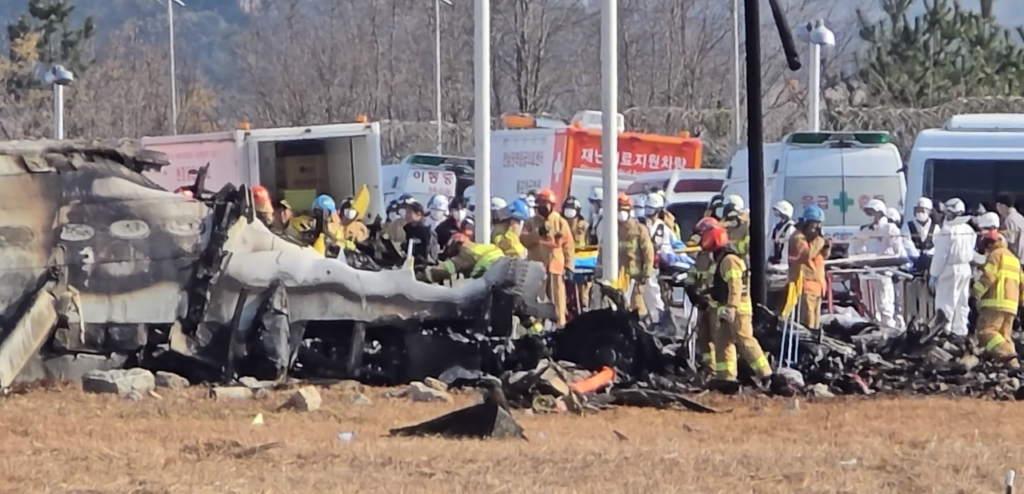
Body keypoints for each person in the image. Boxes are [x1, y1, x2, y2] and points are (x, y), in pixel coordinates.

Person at [701, 224, 773, 386]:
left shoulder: (729, 260)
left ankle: (766, 375)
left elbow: (735, 285)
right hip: (725, 308)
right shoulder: (720, 259)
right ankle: (726, 378)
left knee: (744, 340)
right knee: (723, 342)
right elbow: (721, 285)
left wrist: (732, 307)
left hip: (738, 309)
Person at [520, 189, 574, 328]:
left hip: (556, 267)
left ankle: (560, 327)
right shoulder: (530, 223)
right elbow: (524, 240)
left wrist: (569, 266)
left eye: (547, 204)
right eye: (542, 204)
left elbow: (568, 245)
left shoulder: (560, 222)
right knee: (538, 300)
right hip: (537, 269)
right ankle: (538, 328)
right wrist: (538, 233)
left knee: (558, 300)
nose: (545, 207)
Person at [971, 228, 1023, 369]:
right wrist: (1021, 303)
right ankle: (1013, 364)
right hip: (1011, 306)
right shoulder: (1014, 259)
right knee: (1004, 335)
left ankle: (1006, 353)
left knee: (986, 331)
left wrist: (975, 292)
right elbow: (1022, 282)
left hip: (994, 302)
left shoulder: (995, 255)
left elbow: (989, 276)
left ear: (990, 244)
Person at [851, 199, 906, 329]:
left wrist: (902, 263)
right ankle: (871, 329)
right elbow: (854, 244)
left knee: (885, 303)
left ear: (881, 213)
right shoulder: (866, 229)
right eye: (870, 213)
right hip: (867, 271)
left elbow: (898, 249)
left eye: (874, 213)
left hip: (883, 271)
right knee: (869, 305)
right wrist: (855, 258)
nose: (872, 216)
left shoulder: (889, 228)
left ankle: (890, 330)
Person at [597, 193, 654, 315]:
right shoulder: (611, 229)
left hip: (635, 277)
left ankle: (642, 326)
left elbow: (648, 254)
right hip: (616, 276)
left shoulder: (639, 230)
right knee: (617, 306)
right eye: (619, 210)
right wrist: (599, 269)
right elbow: (602, 251)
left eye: (624, 210)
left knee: (636, 306)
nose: (621, 213)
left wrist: (646, 273)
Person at [928, 198, 976, 337]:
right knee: (962, 302)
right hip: (965, 268)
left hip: (950, 269)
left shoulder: (947, 231)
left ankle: (944, 332)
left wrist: (934, 274)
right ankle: (960, 332)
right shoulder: (969, 229)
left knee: (946, 302)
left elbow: (940, 256)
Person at [785, 205, 832, 331]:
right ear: (807, 223)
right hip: (804, 287)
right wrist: (819, 240)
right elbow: (807, 254)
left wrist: (826, 246)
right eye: (815, 224)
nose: (817, 228)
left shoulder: (814, 240)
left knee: (815, 325)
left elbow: (820, 257)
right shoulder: (797, 238)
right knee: (807, 324)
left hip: (817, 287)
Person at [686, 216, 721, 372]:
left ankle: (724, 372)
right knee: (703, 338)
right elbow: (692, 275)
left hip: (717, 306)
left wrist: (707, 295)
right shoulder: (702, 257)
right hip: (703, 304)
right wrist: (691, 289)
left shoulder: (721, 257)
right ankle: (709, 369)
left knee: (719, 338)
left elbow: (719, 284)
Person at [642, 191, 677, 323]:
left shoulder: (663, 228)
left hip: (652, 266)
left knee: (653, 293)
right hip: (636, 264)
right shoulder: (640, 224)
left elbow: (668, 247)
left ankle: (657, 320)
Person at [418, 233, 504, 284]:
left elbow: (445, 269)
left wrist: (423, 275)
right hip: (503, 271)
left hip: (487, 275)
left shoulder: (465, 252)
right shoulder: (484, 247)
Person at [908, 197, 940, 272]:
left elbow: (938, 245)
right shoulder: (908, 226)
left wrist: (927, 256)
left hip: (930, 262)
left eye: (922, 210)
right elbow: (907, 244)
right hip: (913, 262)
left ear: (929, 212)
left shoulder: (935, 227)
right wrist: (917, 257)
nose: (919, 213)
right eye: (917, 210)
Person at [402, 202, 439, 267]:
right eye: (406, 212)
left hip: (423, 267)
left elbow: (432, 256)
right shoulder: (405, 230)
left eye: (409, 213)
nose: (406, 215)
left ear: (419, 215)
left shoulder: (427, 233)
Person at [995, 193, 1024, 260]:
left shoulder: (1009, 219)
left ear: (1002, 206)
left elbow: (1010, 241)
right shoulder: (1020, 217)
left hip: (1017, 258)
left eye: (998, 206)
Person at [768, 200, 796, 265]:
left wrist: (784, 262)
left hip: (784, 263)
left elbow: (788, 246)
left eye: (777, 210)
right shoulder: (778, 226)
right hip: (775, 261)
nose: (775, 211)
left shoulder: (790, 227)